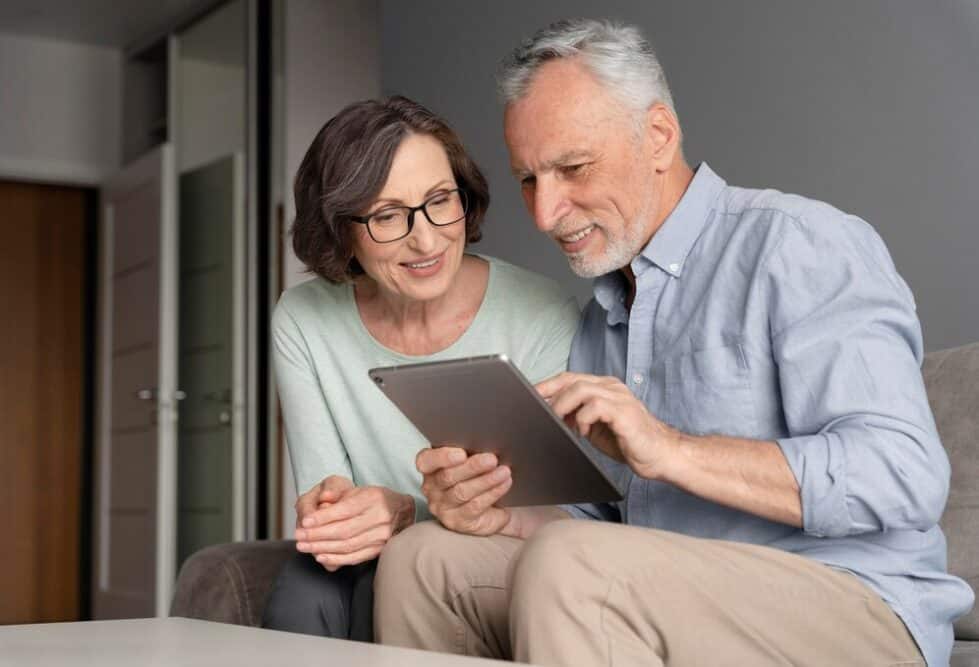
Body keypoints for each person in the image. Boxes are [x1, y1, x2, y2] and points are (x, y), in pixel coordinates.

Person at [372, 19, 974, 667]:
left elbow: (903, 474)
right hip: (681, 591)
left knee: (575, 566)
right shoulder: (604, 317)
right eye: (528, 179)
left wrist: (670, 449)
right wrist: (499, 515)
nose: (545, 214)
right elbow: (607, 529)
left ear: (657, 136)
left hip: (859, 607)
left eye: (572, 167)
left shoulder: (799, 244)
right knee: (423, 557)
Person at [261, 96, 579, 641]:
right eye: (387, 215)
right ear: (341, 229)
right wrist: (333, 508)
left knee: (393, 574)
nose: (427, 239)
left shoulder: (541, 314)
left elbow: (562, 516)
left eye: (439, 201)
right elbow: (326, 494)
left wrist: (408, 513)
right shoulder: (304, 317)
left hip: (495, 552)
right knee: (307, 582)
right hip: (367, 561)